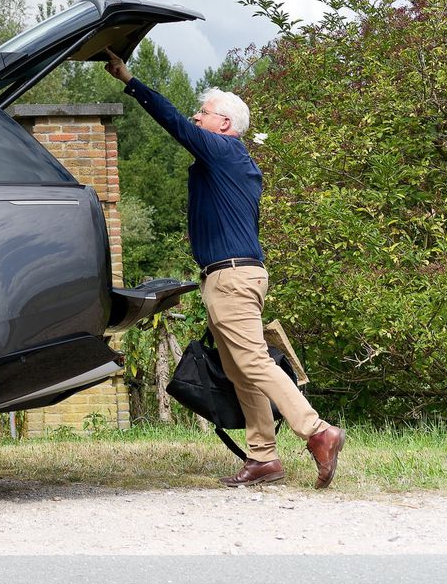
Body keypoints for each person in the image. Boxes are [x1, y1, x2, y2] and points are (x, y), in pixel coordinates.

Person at [104, 50, 346, 488]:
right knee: (239, 369)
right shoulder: (230, 164)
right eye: (199, 111)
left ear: (226, 124)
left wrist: (130, 79)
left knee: (251, 361)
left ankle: (317, 431)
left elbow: (174, 123)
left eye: (205, 112)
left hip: (232, 277)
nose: (197, 118)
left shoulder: (224, 152)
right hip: (230, 275)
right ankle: (264, 458)